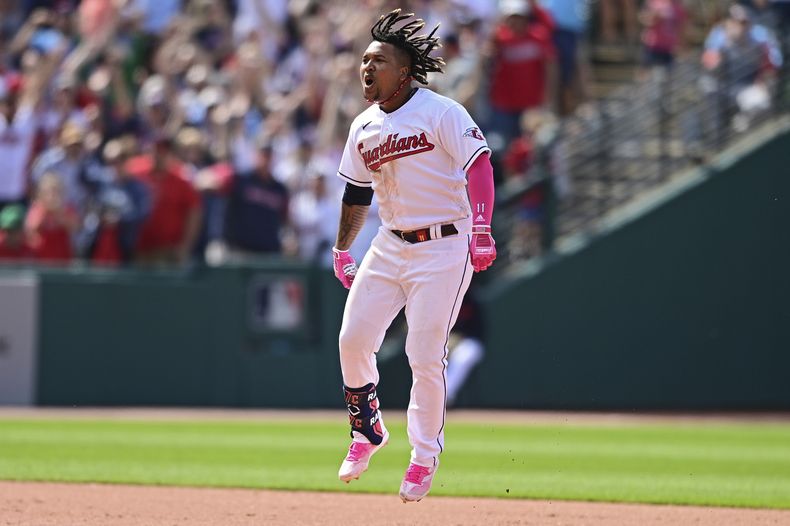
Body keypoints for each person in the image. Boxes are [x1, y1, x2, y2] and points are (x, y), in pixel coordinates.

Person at [331, 10, 496, 503]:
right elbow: (357, 194)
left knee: (424, 355)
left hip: (446, 243)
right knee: (352, 339)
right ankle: (367, 432)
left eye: (377, 60)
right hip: (390, 241)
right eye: (363, 59)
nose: (366, 67)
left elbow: (479, 164)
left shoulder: (441, 112)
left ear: (404, 71)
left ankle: (423, 455)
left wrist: (482, 227)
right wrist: (342, 248)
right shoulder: (363, 125)